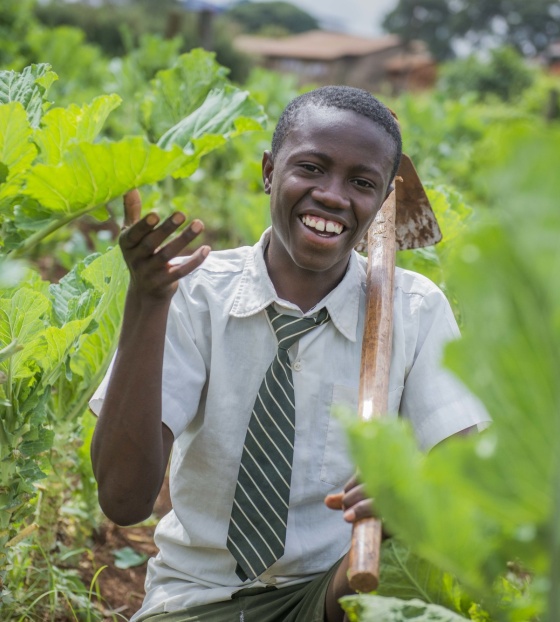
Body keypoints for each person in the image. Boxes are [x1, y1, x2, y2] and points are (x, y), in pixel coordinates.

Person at [90, 86, 490, 622]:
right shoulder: (195, 292)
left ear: (381, 202)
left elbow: (464, 480)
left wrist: (414, 496)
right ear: (268, 172)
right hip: (201, 599)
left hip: (344, 590)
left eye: (361, 183)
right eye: (311, 168)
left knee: (426, 563)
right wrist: (147, 303)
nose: (332, 195)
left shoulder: (413, 310)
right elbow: (124, 500)